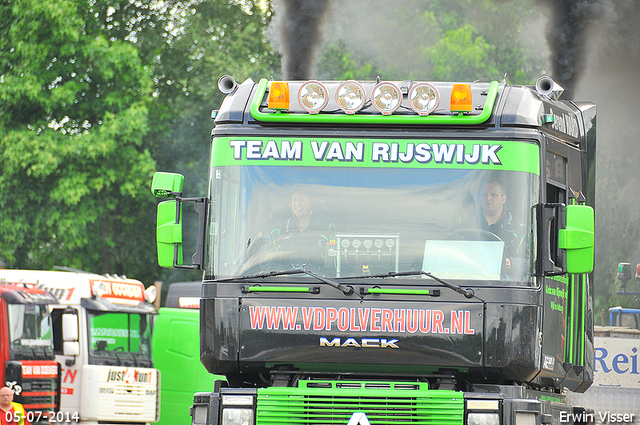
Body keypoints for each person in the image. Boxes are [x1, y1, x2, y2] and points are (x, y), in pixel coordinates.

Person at [269, 187, 335, 270]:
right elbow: (268, 263)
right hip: (286, 281)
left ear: (311, 202)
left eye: (303, 200)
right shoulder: (278, 230)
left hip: (319, 281)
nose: (298, 204)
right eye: (294, 200)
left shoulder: (326, 229)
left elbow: (335, 264)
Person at [479, 177, 526, 275]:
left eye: (493, 195)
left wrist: (510, 263)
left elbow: (531, 263)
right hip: (466, 282)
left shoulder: (518, 228)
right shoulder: (467, 222)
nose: (488, 198)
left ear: (503, 199)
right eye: (484, 195)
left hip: (505, 285)